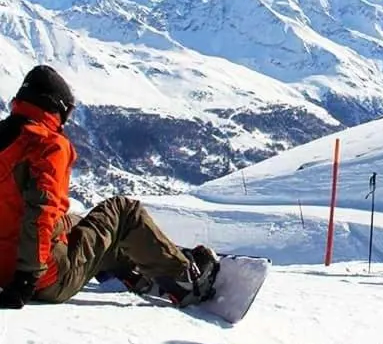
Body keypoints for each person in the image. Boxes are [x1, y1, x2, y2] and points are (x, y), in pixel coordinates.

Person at [0, 65, 219, 310]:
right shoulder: (46, 145)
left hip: (4, 268)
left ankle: (129, 269)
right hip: (40, 279)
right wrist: (27, 278)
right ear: (55, 107)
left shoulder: (6, 136)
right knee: (124, 211)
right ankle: (185, 279)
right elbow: (40, 215)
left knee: (77, 222)